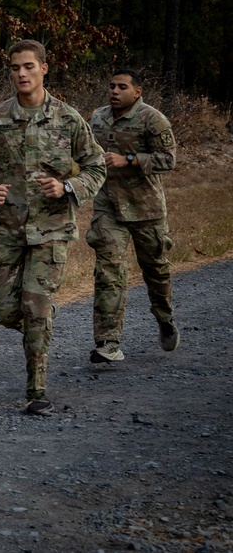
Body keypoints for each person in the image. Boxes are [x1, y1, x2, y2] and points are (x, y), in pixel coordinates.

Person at [0, 39, 106, 415]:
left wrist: (68, 187)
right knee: (10, 311)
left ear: (44, 68)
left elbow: (96, 166)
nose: (21, 74)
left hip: (51, 231)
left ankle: (37, 389)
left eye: (28, 66)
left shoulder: (67, 118)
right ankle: (36, 320)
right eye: (15, 67)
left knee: (37, 308)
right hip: (7, 231)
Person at [86, 69, 178, 362]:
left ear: (137, 91)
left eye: (122, 87)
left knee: (156, 270)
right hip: (108, 207)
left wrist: (129, 160)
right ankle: (108, 343)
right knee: (109, 273)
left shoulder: (153, 119)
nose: (114, 91)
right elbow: (84, 153)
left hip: (145, 209)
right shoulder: (97, 118)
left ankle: (164, 318)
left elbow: (168, 159)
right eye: (111, 86)